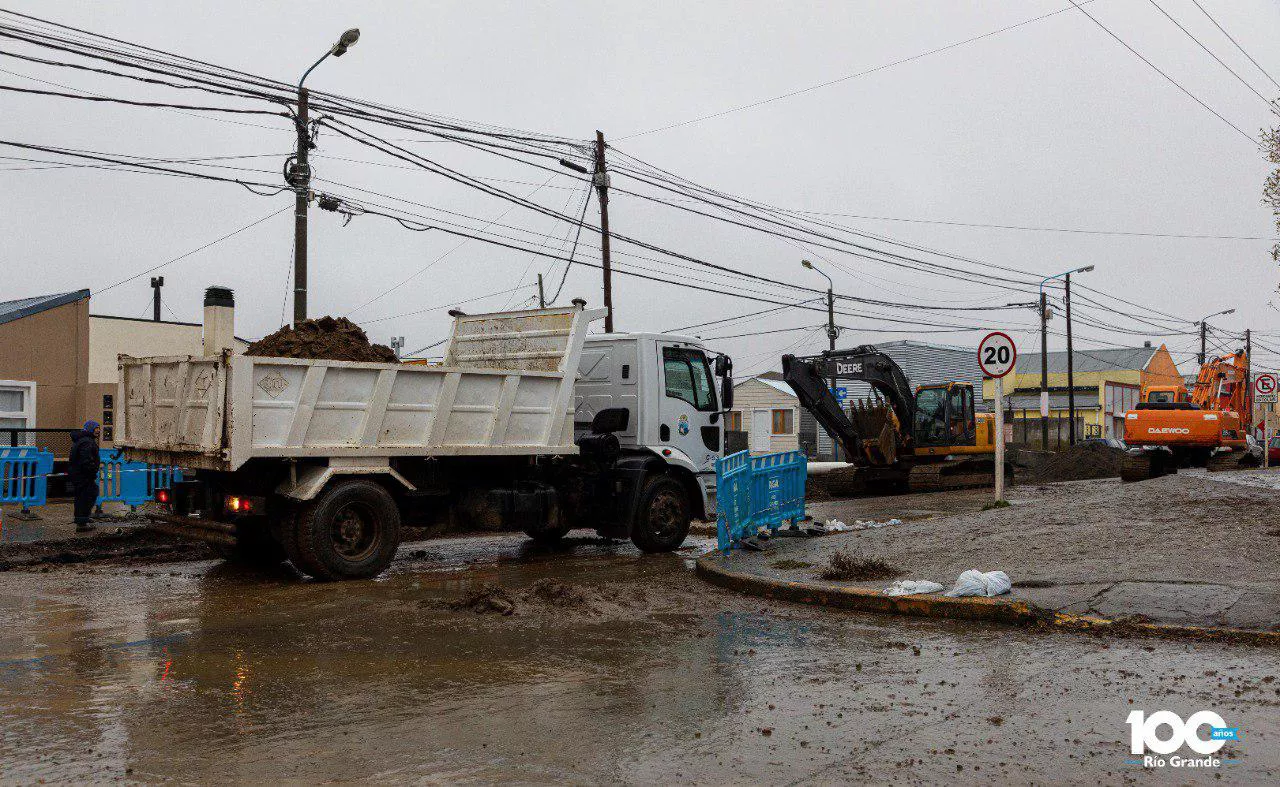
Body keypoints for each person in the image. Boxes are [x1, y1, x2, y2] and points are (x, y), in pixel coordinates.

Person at [68, 420, 101, 533]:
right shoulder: (87, 442)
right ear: (90, 429)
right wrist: (92, 472)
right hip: (84, 475)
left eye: (99, 428)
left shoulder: (82, 440)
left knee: (82, 496)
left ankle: (83, 518)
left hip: (79, 475)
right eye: (96, 428)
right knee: (87, 496)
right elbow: (86, 460)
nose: (98, 431)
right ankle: (82, 523)